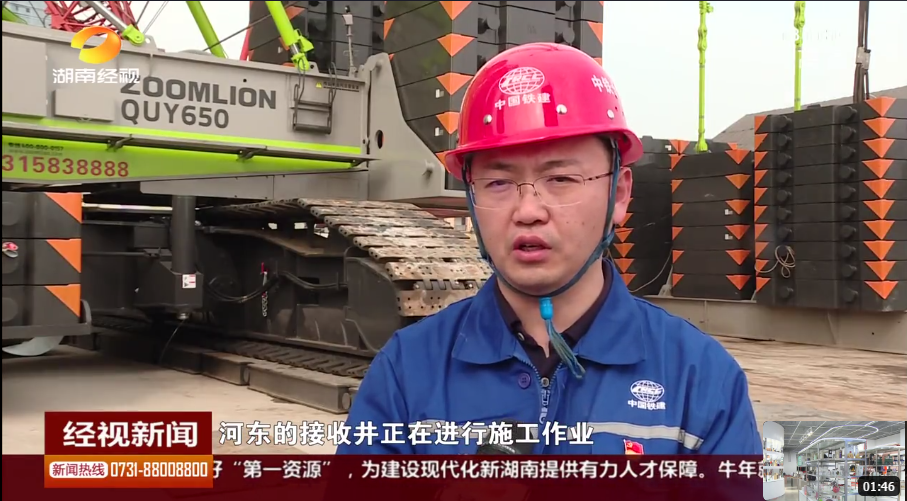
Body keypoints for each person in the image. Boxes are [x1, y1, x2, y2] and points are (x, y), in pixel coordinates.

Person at [336, 43, 761, 455]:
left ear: (619, 194)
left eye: (561, 179)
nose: (528, 211)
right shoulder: (407, 372)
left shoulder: (699, 380)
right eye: (498, 182)